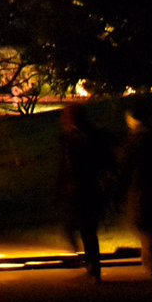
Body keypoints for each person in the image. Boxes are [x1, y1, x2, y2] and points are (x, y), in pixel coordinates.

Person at [57, 104, 112, 282]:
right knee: (85, 230)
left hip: (82, 190)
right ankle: (92, 266)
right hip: (84, 189)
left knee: (85, 230)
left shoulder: (78, 138)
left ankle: (93, 268)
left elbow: (67, 166)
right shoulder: (78, 137)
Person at [118, 102, 152, 279]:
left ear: (133, 119)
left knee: (141, 225)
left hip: (139, 188)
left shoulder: (135, 141)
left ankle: (151, 264)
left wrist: (119, 186)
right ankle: (151, 261)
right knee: (146, 226)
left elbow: (125, 166)